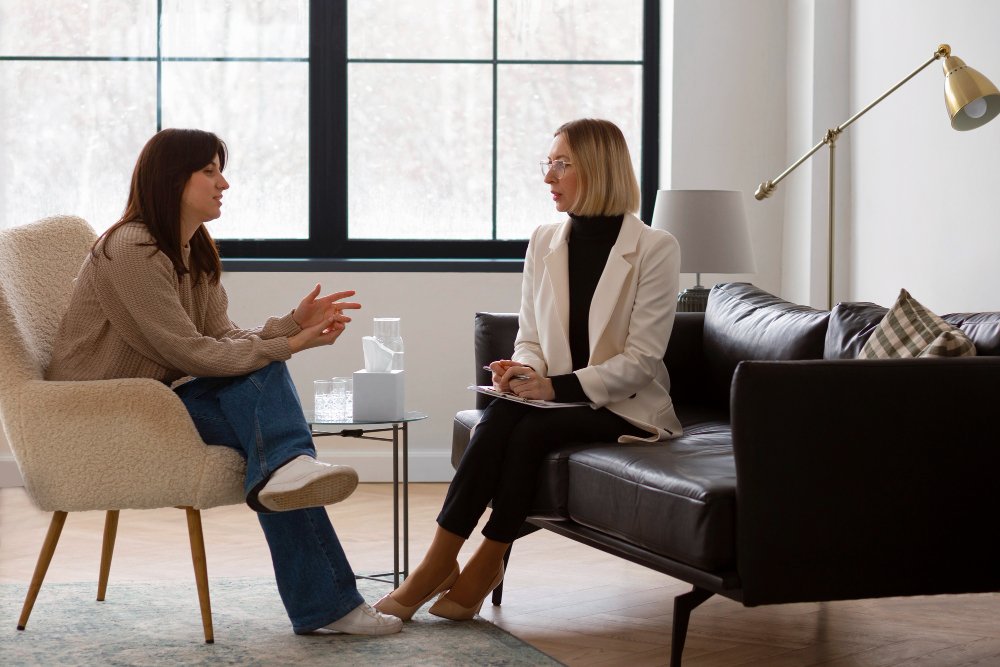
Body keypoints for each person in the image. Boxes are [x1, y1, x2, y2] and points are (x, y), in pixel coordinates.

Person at [46, 128, 403, 636]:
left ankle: (291, 479)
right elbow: (191, 353)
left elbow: (223, 337)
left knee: (275, 458)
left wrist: (290, 324)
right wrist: (290, 344)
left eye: (221, 171)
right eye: (210, 171)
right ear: (173, 180)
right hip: (107, 409)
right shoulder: (131, 250)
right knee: (271, 415)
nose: (224, 184)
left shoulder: (193, 248)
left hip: (158, 400)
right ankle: (327, 599)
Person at [375, 118, 683, 621]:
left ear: (599, 169)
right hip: (554, 396)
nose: (548, 177)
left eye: (562, 164)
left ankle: (479, 562)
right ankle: (443, 561)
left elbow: (642, 361)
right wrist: (522, 372)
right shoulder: (543, 240)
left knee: (528, 429)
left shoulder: (655, 247)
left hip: (624, 405)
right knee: (502, 413)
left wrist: (551, 387)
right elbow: (531, 336)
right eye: (549, 163)